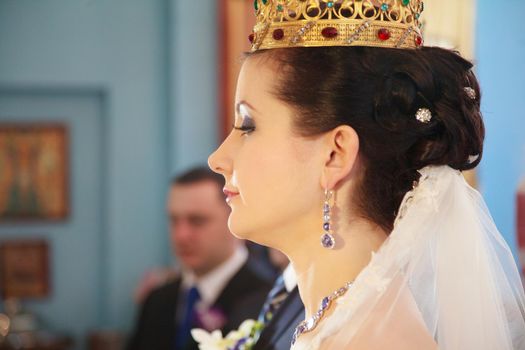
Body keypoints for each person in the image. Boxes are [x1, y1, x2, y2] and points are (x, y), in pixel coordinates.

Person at [207, 1, 525, 349]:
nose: (217, 158)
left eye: (248, 126)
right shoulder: (337, 323)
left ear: (335, 154)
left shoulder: (374, 339)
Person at [126, 167, 272, 350]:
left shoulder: (267, 301)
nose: (181, 235)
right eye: (174, 220)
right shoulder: (157, 300)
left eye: (197, 221)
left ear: (235, 219)